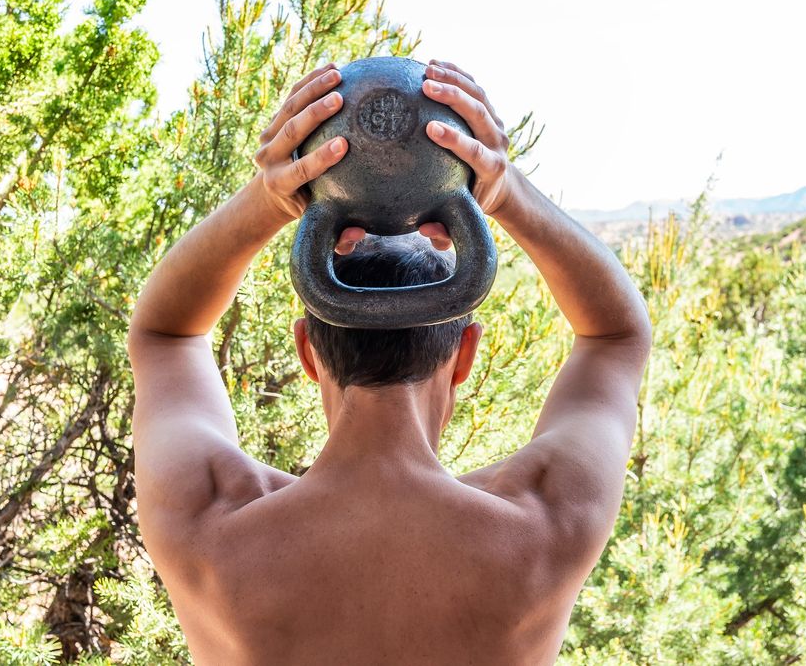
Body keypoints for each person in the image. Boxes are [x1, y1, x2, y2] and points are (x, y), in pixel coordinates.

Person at [128, 58, 651, 665]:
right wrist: (505, 191)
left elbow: (165, 333)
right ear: (465, 357)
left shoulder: (212, 523)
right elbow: (617, 334)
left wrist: (268, 198)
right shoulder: (540, 528)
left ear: (308, 353)